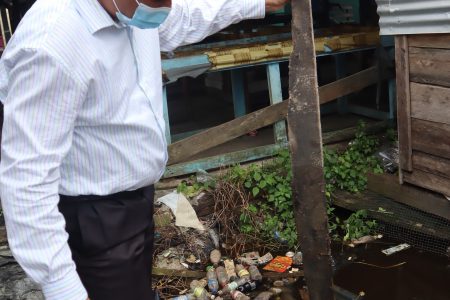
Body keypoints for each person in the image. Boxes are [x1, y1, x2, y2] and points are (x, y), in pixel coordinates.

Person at [0, 0, 289, 299]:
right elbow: (26, 177)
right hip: (91, 220)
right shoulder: (52, 43)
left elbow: (183, 18)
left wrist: (253, 3)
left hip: (133, 206)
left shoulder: (132, 12)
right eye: (157, 1)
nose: (166, 6)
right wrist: (60, 284)